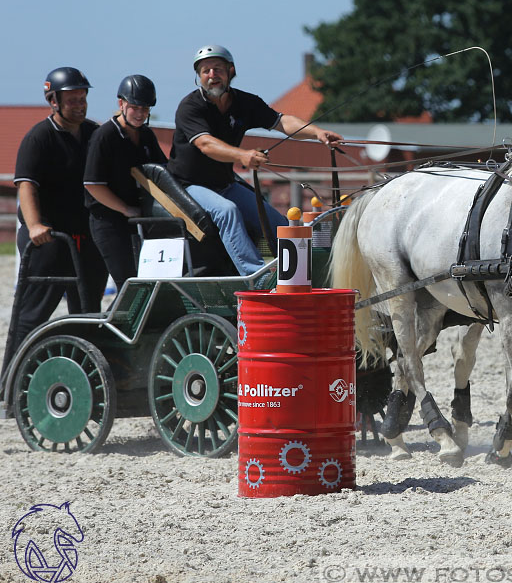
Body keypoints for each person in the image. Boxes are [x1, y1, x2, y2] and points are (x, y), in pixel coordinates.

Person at [167, 44, 342, 277]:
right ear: (198, 77)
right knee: (227, 212)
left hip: (224, 183)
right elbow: (205, 144)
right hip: (189, 186)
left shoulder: (245, 103)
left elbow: (282, 122)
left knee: (278, 223)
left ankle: (305, 273)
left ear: (231, 71)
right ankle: (258, 277)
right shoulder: (190, 107)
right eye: (205, 71)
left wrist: (317, 133)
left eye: (217, 69)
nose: (212, 76)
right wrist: (243, 156)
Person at [7, 67, 108, 357]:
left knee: (88, 312)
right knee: (33, 314)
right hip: (49, 238)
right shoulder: (39, 138)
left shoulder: (93, 133)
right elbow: (26, 185)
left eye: (82, 98)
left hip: (85, 236)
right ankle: (10, 383)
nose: (79, 105)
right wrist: (36, 225)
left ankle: (83, 372)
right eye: (72, 100)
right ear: (54, 101)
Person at [84, 75, 167, 288]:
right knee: (128, 282)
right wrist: (125, 209)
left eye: (145, 109)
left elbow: (164, 172)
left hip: (138, 220)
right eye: (134, 108)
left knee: (146, 281)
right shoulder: (105, 136)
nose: (140, 114)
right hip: (108, 220)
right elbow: (93, 184)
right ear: (121, 104)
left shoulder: (147, 135)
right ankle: (113, 322)